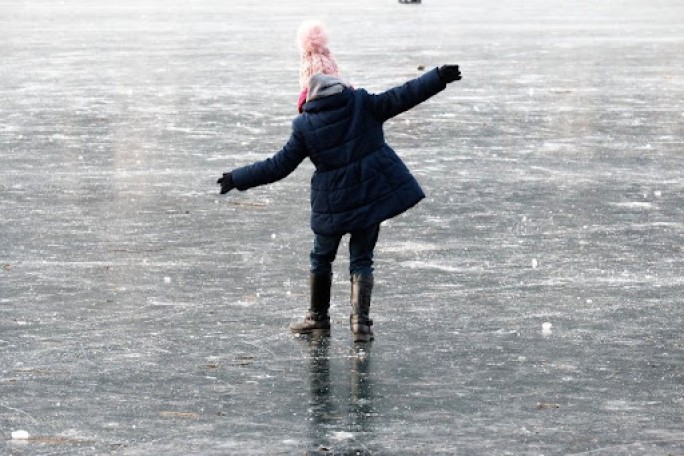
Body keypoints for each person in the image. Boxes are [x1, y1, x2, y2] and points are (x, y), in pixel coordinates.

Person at [217, 65, 462, 342]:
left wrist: (237, 178)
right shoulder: (363, 104)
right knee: (362, 259)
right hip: (370, 197)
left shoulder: (305, 126)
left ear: (309, 99)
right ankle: (361, 324)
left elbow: (278, 165)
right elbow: (403, 96)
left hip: (332, 205)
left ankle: (318, 319)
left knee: (321, 258)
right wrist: (437, 77)